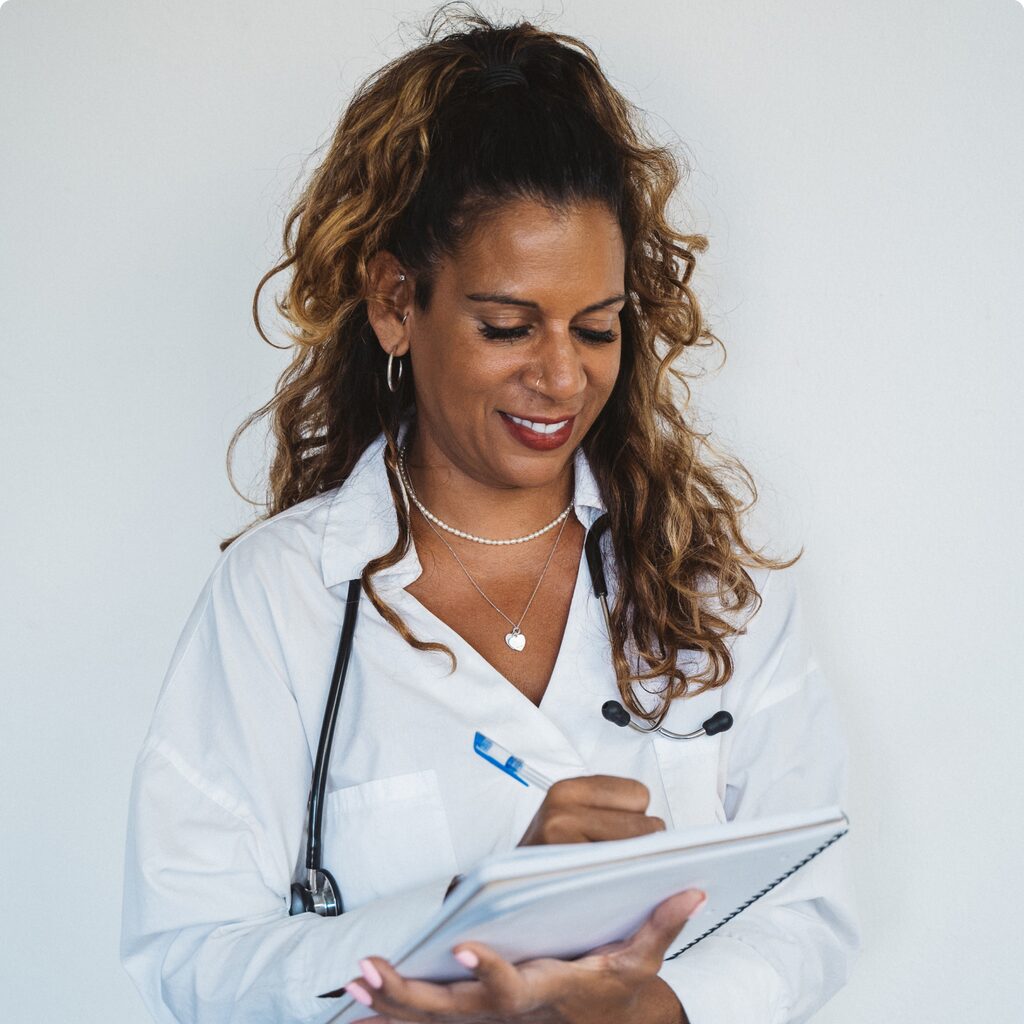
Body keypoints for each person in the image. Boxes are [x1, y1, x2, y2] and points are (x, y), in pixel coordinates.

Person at [120, 6, 859, 1023]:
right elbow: (192, 953)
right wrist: (472, 916)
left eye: (595, 329)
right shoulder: (281, 598)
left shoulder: (709, 585)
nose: (560, 376)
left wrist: (643, 1010)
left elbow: (810, 911)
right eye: (508, 326)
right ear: (396, 302)